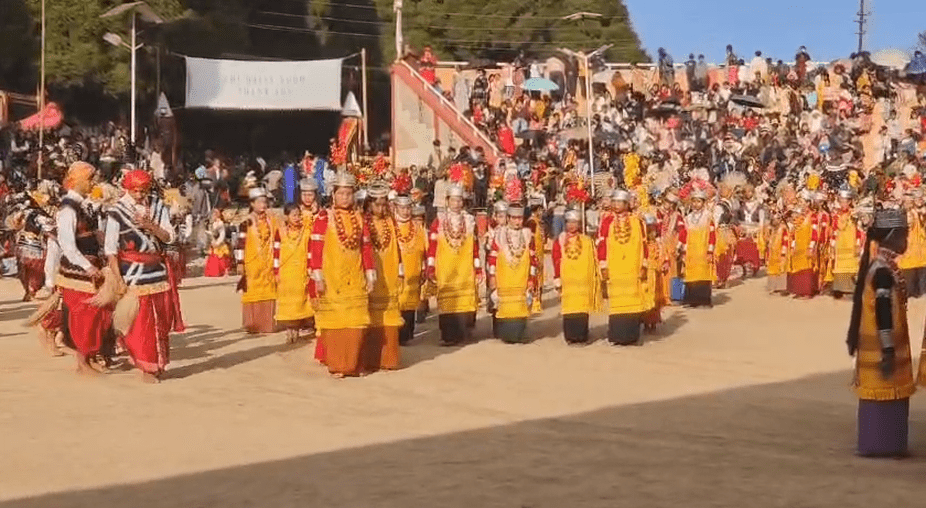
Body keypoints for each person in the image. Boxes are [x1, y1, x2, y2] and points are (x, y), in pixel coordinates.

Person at [847, 208, 915, 458]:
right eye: (905, 234)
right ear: (895, 236)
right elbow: (884, 312)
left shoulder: (881, 265)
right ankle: (883, 445)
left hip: (879, 349)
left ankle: (882, 443)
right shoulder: (883, 271)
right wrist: (887, 349)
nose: (907, 240)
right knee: (884, 402)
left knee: (882, 403)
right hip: (882, 350)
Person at [104, 169, 181, 383]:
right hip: (132, 273)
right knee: (141, 324)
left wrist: (150, 226)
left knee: (162, 321)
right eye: (135, 191)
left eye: (143, 191)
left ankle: (158, 362)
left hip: (158, 271)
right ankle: (146, 366)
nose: (139, 195)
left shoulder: (157, 205)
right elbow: (110, 249)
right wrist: (118, 278)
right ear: (127, 189)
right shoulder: (116, 212)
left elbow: (168, 237)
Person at [309, 172, 375, 377]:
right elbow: (315, 250)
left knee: (356, 323)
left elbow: (366, 249)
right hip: (332, 279)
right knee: (336, 323)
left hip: (355, 278)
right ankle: (338, 365)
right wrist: (317, 278)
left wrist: (370, 275)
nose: (345, 197)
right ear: (333, 195)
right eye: (341, 193)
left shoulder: (359, 218)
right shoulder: (323, 218)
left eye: (348, 193)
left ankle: (354, 364)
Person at [56, 162, 112, 376]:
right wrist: (88, 266)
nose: (93, 183)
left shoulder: (81, 205)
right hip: (78, 273)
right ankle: (82, 361)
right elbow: (68, 245)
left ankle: (88, 356)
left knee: (97, 314)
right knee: (84, 316)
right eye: (89, 179)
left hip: (90, 268)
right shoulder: (68, 209)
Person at [427, 184, 481, 346]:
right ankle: (449, 336)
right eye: (453, 200)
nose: (457, 203)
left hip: (465, 269)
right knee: (448, 305)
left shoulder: (470, 221)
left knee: (465, 303)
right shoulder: (439, 222)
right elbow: (432, 247)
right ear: (447, 201)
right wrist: (431, 268)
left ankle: (465, 333)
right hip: (446, 269)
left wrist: (478, 268)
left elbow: (475, 248)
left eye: (459, 200)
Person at [598, 190, 648, 346]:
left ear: (627, 204)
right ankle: (617, 335)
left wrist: (644, 265)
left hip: (632, 267)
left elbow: (644, 243)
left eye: (620, 202)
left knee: (632, 301)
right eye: (615, 202)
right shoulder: (607, 221)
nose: (617, 205)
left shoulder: (637, 221)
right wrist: (603, 265)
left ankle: (631, 336)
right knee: (617, 303)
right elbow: (601, 244)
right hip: (615, 268)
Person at [365, 184, 403, 371]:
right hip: (371, 276)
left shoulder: (391, 222)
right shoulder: (363, 222)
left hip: (389, 274)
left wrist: (401, 271)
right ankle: (372, 359)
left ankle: (389, 360)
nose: (380, 209)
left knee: (390, 319)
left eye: (383, 205)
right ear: (369, 204)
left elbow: (399, 248)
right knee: (372, 318)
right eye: (376, 205)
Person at [487, 205, 536, 344]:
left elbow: (533, 259)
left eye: (520, 218)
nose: (517, 221)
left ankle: (520, 334)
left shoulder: (527, 234)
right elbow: (492, 257)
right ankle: (506, 335)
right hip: (504, 277)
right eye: (514, 218)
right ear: (508, 218)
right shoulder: (500, 234)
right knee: (505, 308)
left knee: (521, 307)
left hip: (521, 277)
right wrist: (492, 277)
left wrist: (531, 279)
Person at [552, 209, 599, 344]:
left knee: (582, 310)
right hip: (568, 282)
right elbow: (556, 260)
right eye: (569, 222)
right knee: (569, 311)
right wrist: (557, 279)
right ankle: (571, 336)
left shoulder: (587, 241)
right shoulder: (560, 240)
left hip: (583, 282)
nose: (572, 225)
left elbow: (592, 260)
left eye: (575, 222)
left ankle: (582, 335)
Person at [236, 188, 278, 334]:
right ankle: (252, 324)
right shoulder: (246, 221)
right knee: (252, 291)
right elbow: (240, 243)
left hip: (268, 261)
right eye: (260, 202)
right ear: (252, 204)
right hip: (252, 262)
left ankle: (267, 325)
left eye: (265, 202)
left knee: (268, 291)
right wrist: (240, 262)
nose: (263, 205)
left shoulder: (271, 220)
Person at [273, 204, 311, 344]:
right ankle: (290, 329)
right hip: (286, 272)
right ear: (286, 217)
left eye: (298, 214)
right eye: (293, 215)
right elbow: (276, 253)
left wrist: (310, 268)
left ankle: (297, 327)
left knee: (300, 301)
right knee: (288, 302)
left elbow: (310, 251)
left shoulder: (306, 231)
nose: (297, 218)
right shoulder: (281, 232)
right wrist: (276, 271)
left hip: (301, 270)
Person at [679, 190, 715, 307]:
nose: (696, 204)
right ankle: (692, 300)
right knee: (691, 275)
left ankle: (703, 300)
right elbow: (684, 235)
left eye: (698, 201)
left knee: (703, 275)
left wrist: (710, 251)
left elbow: (712, 235)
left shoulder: (708, 217)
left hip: (703, 250)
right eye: (694, 201)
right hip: (691, 252)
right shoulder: (688, 218)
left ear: (703, 203)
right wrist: (682, 251)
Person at [831, 190, 862, 297]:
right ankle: (839, 289)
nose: (843, 203)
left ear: (849, 202)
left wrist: (858, 244)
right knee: (839, 266)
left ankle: (852, 289)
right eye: (841, 201)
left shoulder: (854, 213)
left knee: (852, 266)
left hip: (851, 243)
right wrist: (833, 244)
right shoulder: (836, 214)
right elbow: (834, 229)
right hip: (840, 245)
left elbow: (858, 230)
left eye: (845, 201)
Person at [203, 208, 231, 277]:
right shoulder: (214, 223)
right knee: (214, 257)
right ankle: (215, 272)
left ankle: (225, 271)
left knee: (222, 258)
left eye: (213, 215)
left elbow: (222, 234)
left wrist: (218, 242)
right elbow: (213, 232)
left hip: (220, 243)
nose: (212, 217)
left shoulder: (220, 223)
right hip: (214, 241)